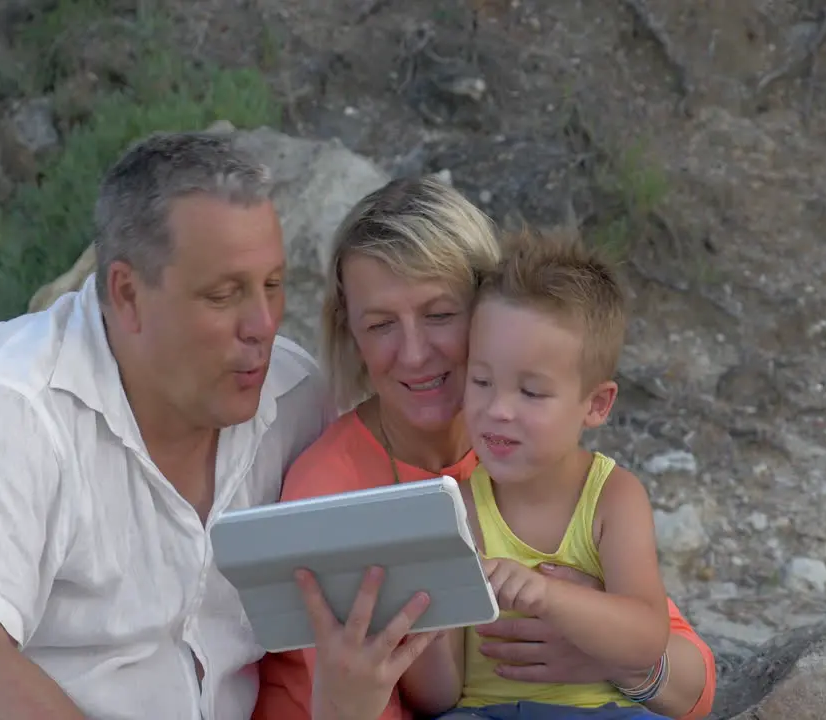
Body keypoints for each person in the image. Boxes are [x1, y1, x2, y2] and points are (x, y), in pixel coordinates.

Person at [0, 132, 425, 720]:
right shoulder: (11, 405)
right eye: (223, 295)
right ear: (127, 293)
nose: (261, 323)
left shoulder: (292, 397)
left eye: (272, 285)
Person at [254, 176, 717, 720]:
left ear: (490, 308)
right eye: (380, 325)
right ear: (350, 332)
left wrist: (604, 653)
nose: (415, 353)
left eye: (440, 315)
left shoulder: (514, 456)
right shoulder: (329, 493)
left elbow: (694, 685)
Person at [401, 225, 671, 720]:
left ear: (595, 404)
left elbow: (647, 639)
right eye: (482, 381)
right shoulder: (457, 505)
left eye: (530, 392)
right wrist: (425, 625)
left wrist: (548, 595)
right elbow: (440, 697)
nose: (498, 409)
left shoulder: (612, 497)